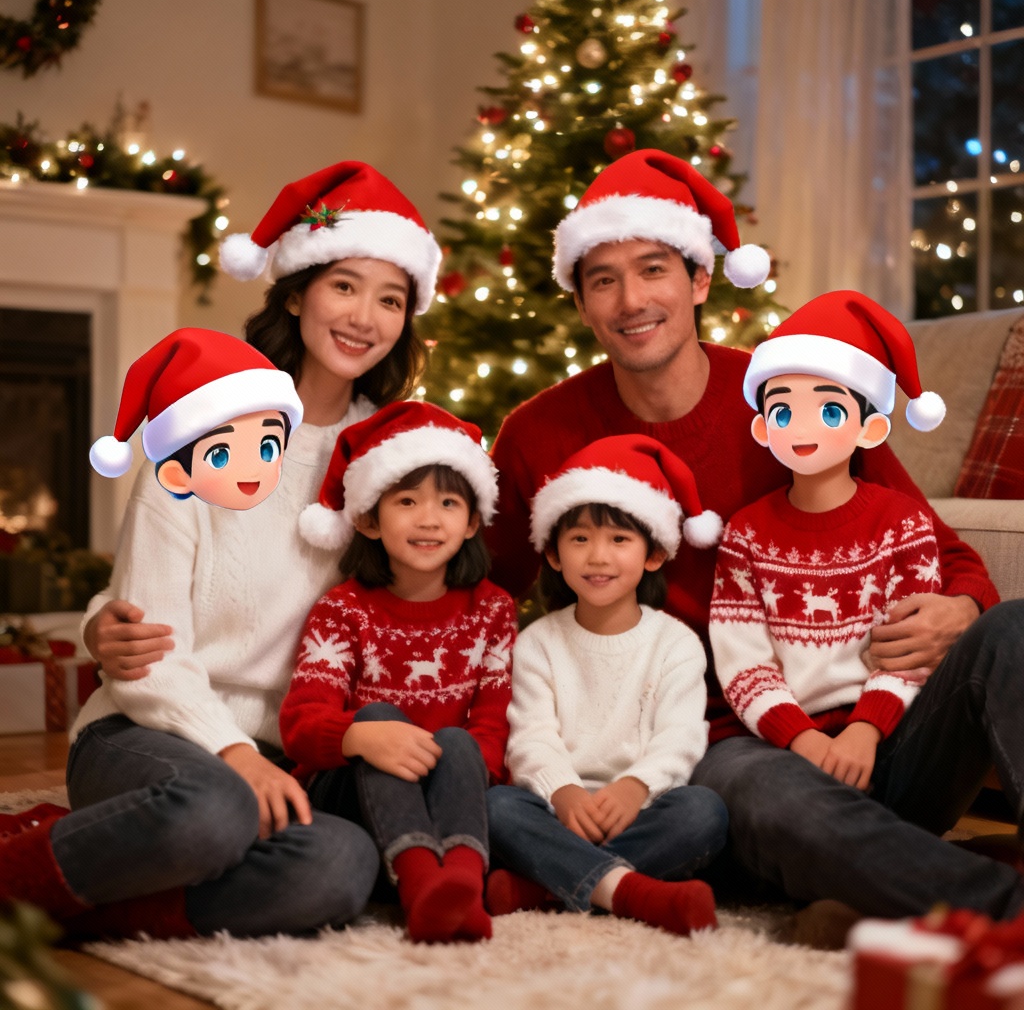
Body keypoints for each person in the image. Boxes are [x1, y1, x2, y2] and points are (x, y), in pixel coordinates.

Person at [488, 147, 1024, 923]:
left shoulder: (794, 397)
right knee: (760, 796)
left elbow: (948, 556)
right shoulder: (539, 433)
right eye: (603, 279)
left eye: (653, 269)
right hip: (723, 741)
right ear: (581, 301)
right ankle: (993, 911)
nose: (631, 299)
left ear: (700, 279)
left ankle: (866, 882)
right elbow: (480, 593)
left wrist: (964, 609)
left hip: (887, 719)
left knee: (1013, 628)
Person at [0, 160, 444, 939]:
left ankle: (88, 901)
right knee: (212, 812)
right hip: (150, 733)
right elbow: (148, 656)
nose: (365, 317)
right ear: (298, 290)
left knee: (341, 866)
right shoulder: (209, 420)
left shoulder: (396, 459)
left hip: (290, 754)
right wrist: (234, 752)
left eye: (392, 298)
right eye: (345, 285)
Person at [279, 401, 516, 944]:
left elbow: (492, 726)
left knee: (460, 743)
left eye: (449, 503)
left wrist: (448, 771)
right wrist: (362, 735)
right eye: (406, 501)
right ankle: (417, 885)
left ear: (473, 519)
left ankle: (456, 882)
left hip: (449, 791)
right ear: (367, 518)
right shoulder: (343, 611)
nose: (428, 519)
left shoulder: (492, 610)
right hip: (351, 791)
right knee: (382, 716)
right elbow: (301, 722)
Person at [487, 435, 727, 936]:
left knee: (703, 812)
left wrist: (636, 786)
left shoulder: (675, 643)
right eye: (580, 540)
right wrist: (563, 793)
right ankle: (629, 889)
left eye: (619, 540)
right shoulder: (538, 642)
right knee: (498, 807)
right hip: (556, 809)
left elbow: (680, 738)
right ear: (553, 554)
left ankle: (544, 887)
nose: (598, 556)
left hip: (642, 808)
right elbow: (530, 736)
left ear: (654, 555)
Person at [710, 290, 946, 792]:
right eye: (782, 413)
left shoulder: (904, 524)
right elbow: (743, 659)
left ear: (871, 429)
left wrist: (865, 728)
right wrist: (804, 739)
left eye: (830, 412)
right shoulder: (745, 535)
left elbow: (911, 648)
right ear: (761, 427)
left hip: (891, 733)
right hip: (789, 743)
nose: (801, 429)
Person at [89, 327, 303, 511]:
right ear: (176, 477)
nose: (252, 469)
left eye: (268, 448)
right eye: (219, 455)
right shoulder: (163, 505)